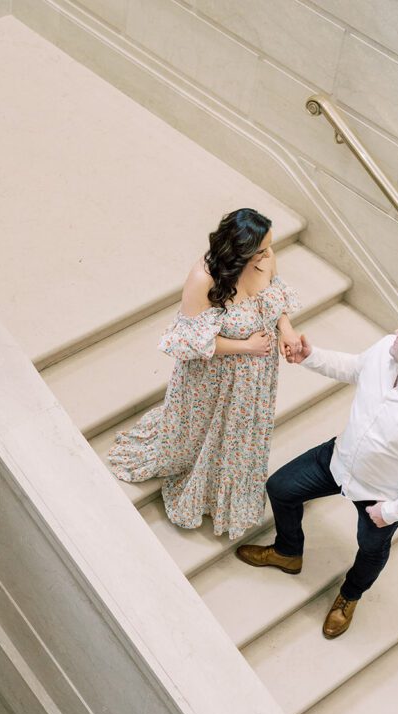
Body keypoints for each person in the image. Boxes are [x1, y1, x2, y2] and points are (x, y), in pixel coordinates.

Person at [235, 309, 398, 638]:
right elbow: (355, 367)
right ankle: (288, 552)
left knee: (371, 550)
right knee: (281, 488)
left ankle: (350, 595)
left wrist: (392, 511)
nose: (394, 333)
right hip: (339, 459)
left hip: (382, 493)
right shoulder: (387, 350)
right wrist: (310, 356)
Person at [108, 208, 302, 540]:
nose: (268, 255)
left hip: (255, 377)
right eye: (259, 251)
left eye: (269, 246)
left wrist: (287, 331)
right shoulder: (205, 278)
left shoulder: (267, 259)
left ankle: (225, 487)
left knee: (239, 433)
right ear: (238, 251)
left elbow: (275, 301)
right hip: (212, 376)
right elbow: (189, 341)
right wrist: (246, 347)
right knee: (202, 431)